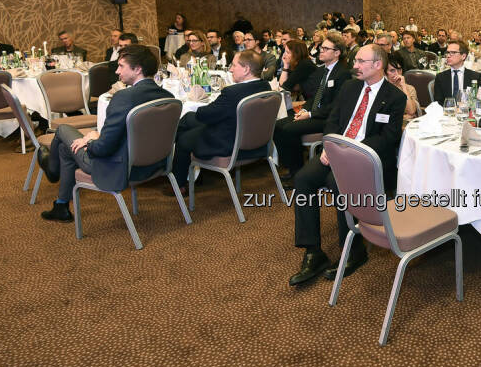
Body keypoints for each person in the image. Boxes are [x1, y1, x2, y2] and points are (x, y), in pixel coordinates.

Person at [289, 44, 407, 286]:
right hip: (336, 152)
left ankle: (353, 250)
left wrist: (350, 153)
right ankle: (313, 251)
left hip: (366, 158)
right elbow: (332, 121)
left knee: (338, 184)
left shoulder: (395, 97)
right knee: (303, 179)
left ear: (378, 65)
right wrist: (330, 147)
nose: (355, 66)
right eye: (355, 61)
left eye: (361, 61)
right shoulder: (349, 88)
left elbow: (388, 138)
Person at [36, 45, 173, 222]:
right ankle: (61, 205)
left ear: (137, 69)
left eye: (121, 66)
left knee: (63, 131)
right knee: (65, 149)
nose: (116, 71)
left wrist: (92, 139)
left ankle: (52, 170)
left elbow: (103, 149)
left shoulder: (124, 97)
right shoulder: (168, 96)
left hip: (117, 168)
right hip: (154, 165)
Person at [168, 50, 269, 192]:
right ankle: (189, 174)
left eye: (234, 65)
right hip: (249, 136)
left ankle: (178, 182)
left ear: (246, 69)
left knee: (184, 139)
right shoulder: (265, 86)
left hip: (229, 142)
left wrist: (204, 108)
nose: (231, 69)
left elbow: (206, 115)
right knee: (188, 118)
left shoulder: (232, 93)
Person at [273, 32, 350, 179]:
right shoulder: (322, 70)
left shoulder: (342, 73)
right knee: (277, 125)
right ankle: (291, 167)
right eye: (321, 47)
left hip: (327, 118)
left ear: (337, 53)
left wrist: (309, 114)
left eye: (326, 48)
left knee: (289, 129)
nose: (321, 50)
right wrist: (304, 109)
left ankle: (297, 173)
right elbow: (315, 96)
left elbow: (336, 105)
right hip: (314, 112)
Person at [386, 52, 421, 125]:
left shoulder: (409, 88)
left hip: (404, 126)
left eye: (399, 70)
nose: (397, 74)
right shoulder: (382, 89)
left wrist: (403, 87)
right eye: (392, 70)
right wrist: (402, 117)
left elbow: (411, 111)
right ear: (385, 73)